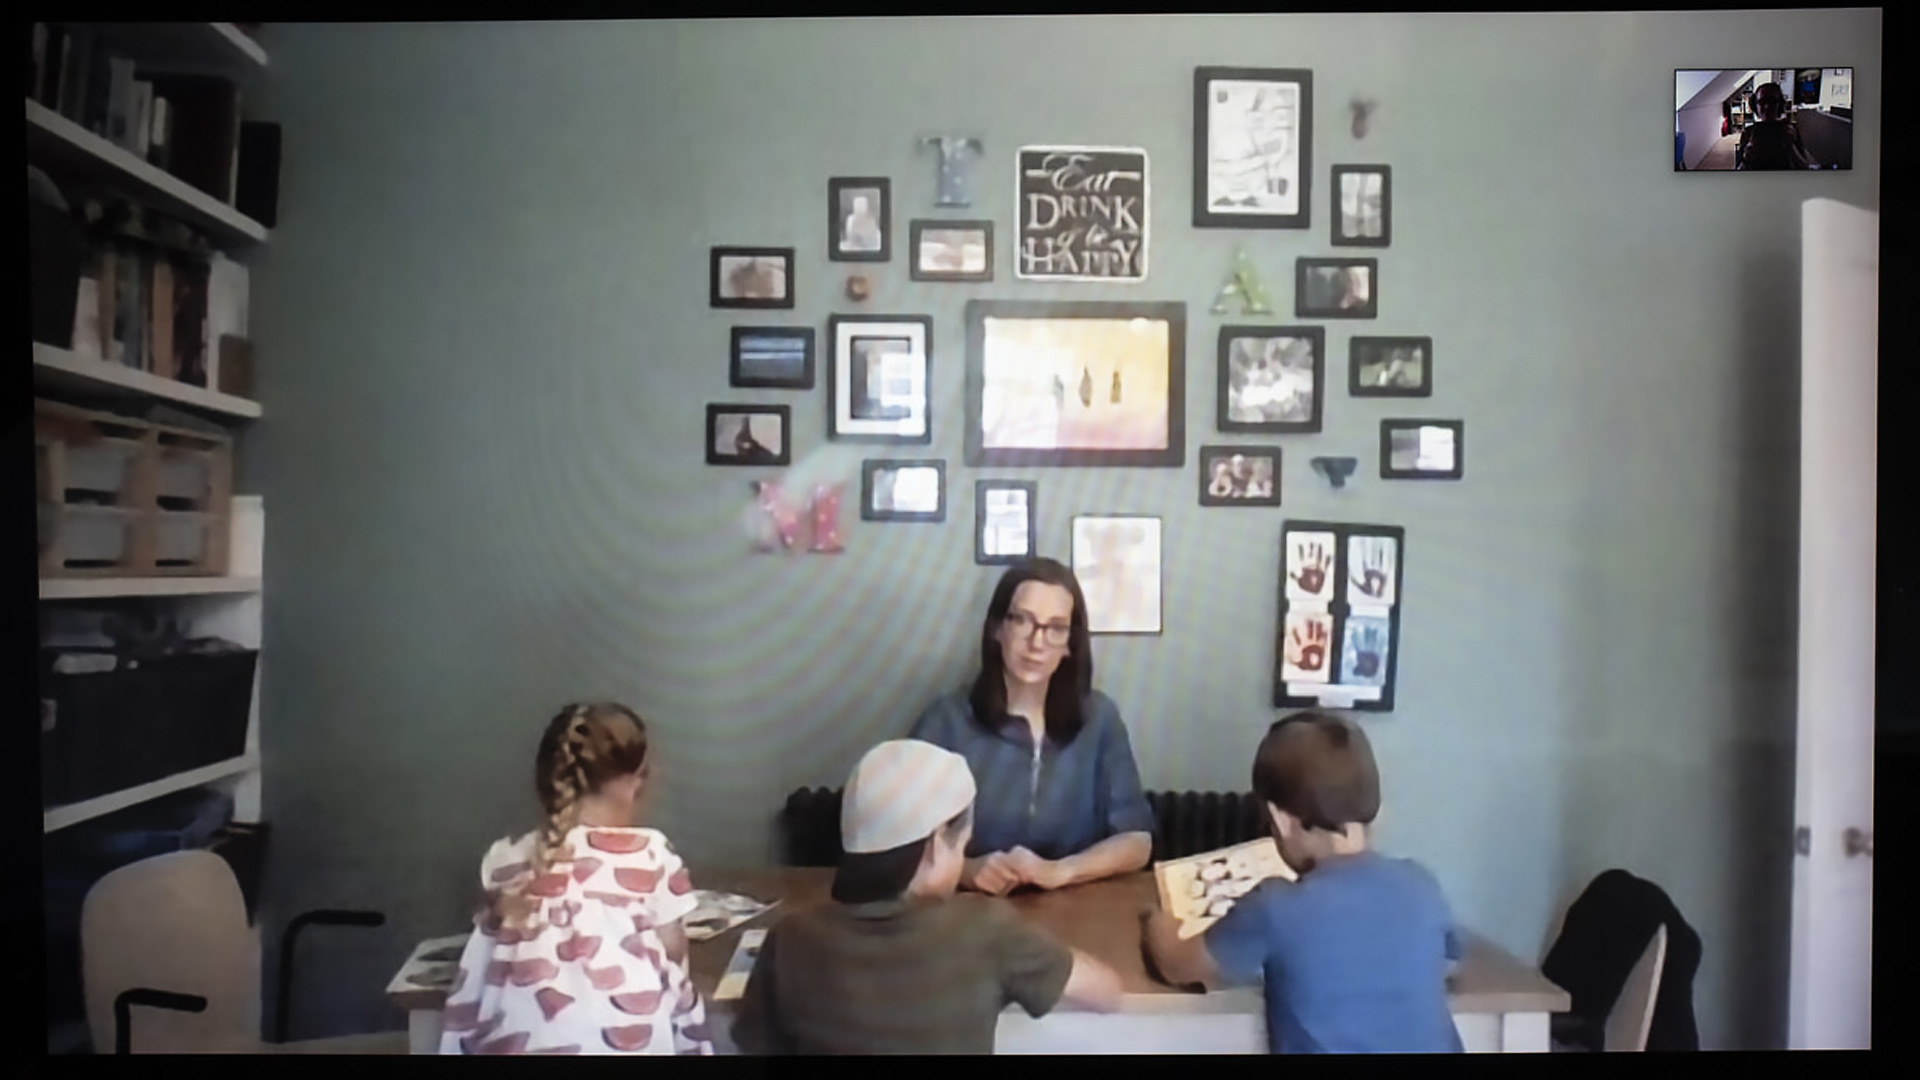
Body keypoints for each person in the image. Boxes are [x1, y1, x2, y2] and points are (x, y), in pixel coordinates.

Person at [731, 740, 1124, 1053]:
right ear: (937, 844)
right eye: (962, 845)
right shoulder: (986, 930)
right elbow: (1107, 992)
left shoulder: (789, 941)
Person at [1141, 713, 1463, 1053]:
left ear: (1281, 820)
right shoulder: (1421, 884)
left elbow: (1178, 965)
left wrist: (1154, 921)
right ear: (1377, 810)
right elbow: (1450, 961)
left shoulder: (1275, 906)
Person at [438, 703, 713, 1056]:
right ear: (636, 780)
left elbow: (487, 938)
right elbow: (674, 950)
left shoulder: (501, 859)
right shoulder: (652, 852)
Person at [908, 558, 1155, 896]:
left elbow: (1137, 841)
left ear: (1070, 643)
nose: (1037, 642)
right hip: (971, 913)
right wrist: (965, 870)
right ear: (997, 628)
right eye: (1023, 620)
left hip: (1076, 910)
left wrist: (1062, 871)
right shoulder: (946, 720)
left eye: (1055, 628)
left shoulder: (1100, 720)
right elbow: (900, 839)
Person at [1737, 82, 1816, 170]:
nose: (1767, 106)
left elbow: (1805, 167)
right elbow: (1738, 172)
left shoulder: (1790, 130)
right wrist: (1747, 157)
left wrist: (1791, 146)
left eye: (1772, 102)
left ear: (1780, 105)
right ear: (1755, 105)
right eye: (1762, 102)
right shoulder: (1749, 133)